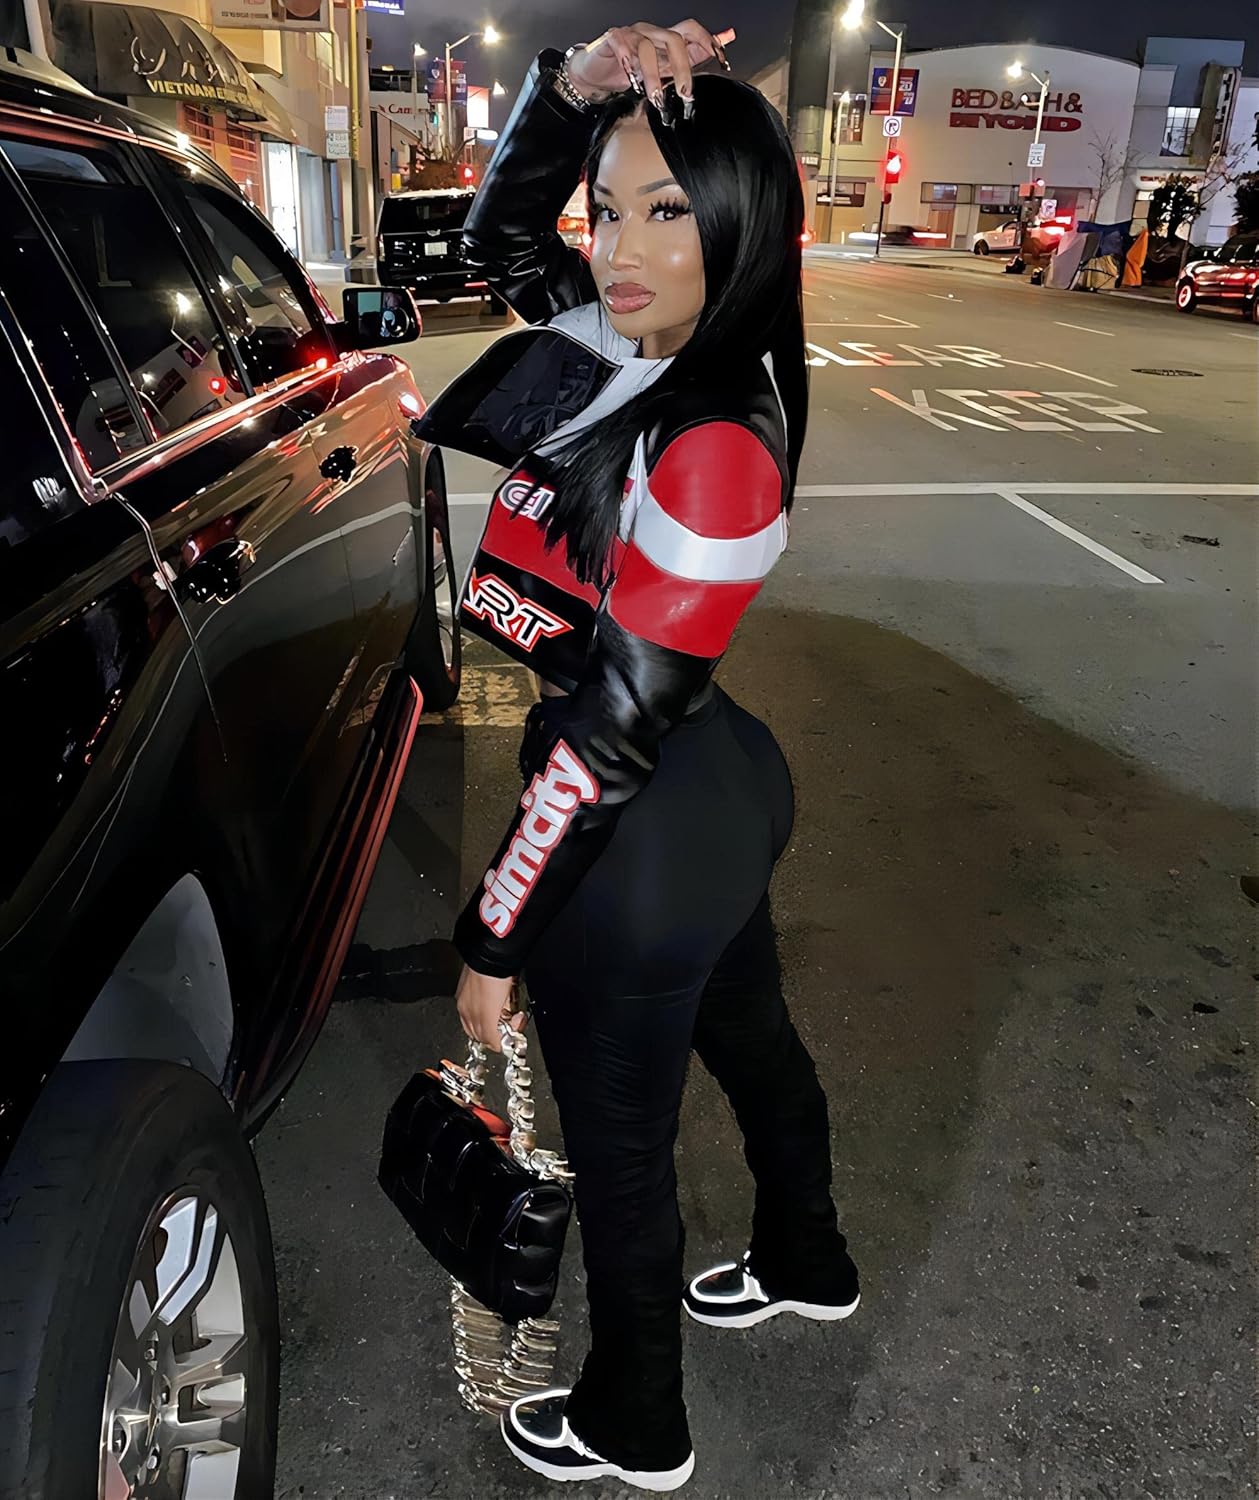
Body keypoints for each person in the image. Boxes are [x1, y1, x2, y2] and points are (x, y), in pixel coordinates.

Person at [415, 19, 860, 1491]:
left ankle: (636, 1418)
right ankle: (807, 1257)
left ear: (742, 220)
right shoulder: (629, 344)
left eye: (668, 211)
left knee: (618, 1145)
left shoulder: (716, 437)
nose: (619, 249)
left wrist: (494, 936)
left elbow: (603, 741)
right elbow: (497, 241)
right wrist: (572, 88)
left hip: (642, 827)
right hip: (705, 789)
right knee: (754, 1043)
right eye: (606, 210)